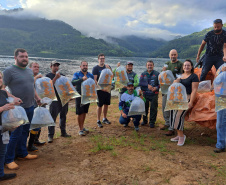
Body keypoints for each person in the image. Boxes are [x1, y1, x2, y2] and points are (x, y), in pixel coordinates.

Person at [4, 48, 41, 170]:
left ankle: (22, 153)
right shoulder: (9, 71)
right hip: (18, 109)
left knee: (25, 132)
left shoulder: (29, 71)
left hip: (30, 106)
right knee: (15, 134)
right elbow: (2, 88)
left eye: (26, 56)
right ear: (15, 58)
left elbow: (31, 86)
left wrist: (37, 98)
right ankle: (8, 159)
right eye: (22, 56)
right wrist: (13, 97)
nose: (25, 58)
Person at [170, 60, 199, 146]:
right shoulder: (180, 76)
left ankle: (182, 136)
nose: (186, 67)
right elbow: (173, 85)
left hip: (187, 98)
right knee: (173, 116)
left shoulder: (194, 76)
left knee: (178, 117)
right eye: (185, 65)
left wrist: (190, 102)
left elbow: (194, 90)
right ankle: (178, 135)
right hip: (178, 98)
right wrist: (176, 81)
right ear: (183, 67)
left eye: (188, 65)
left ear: (191, 67)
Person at [46, 61, 71, 143]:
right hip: (54, 100)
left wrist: (69, 96)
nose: (56, 67)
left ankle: (63, 132)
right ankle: (50, 135)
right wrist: (56, 78)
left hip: (63, 99)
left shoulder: (63, 76)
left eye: (57, 66)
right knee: (52, 118)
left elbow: (66, 86)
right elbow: (49, 87)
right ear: (51, 66)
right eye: (54, 65)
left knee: (63, 116)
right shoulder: (48, 76)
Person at [161, 49, 183, 136]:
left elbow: (181, 76)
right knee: (164, 107)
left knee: (172, 109)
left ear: (177, 55)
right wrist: (162, 71)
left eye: (174, 55)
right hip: (166, 89)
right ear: (169, 55)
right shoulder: (166, 63)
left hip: (175, 90)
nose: (173, 56)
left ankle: (172, 128)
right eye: (171, 55)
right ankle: (167, 123)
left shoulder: (180, 64)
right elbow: (162, 75)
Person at [0, 71, 17, 181]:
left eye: (0, 77)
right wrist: (2, 108)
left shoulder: (2, 93)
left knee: (2, 152)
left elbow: (7, 109)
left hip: (3, 128)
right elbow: (3, 108)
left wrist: (12, 123)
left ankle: (1, 174)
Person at [72, 61, 94, 136]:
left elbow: (93, 85)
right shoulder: (77, 74)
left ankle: (82, 126)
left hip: (87, 96)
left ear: (87, 66)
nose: (85, 67)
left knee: (84, 112)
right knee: (80, 112)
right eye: (83, 65)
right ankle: (80, 129)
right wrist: (82, 79)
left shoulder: (90, 75)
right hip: (79, 96)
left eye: (86, 65)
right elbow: (73, 82)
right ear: (80, 66)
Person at [28, 62, 46, 151]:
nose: (37, 68)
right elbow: (29, 84)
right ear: (30, 68)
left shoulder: (40, 78)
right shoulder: (28, 76)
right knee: (32, 125)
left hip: (40, 103)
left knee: (39, 123)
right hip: (31, 104)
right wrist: (36, 77)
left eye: (38, 67)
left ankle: (36, 140)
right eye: (35, 67)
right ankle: (30, 144)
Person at [92, 53, 112, 128]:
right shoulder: (95, 68)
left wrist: (109, 69)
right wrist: (101, 88)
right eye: (101, 58)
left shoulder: (108, 67)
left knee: (106, 104)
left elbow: (111, 76)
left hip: (107, 89)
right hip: (100, 90)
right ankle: (98, 120)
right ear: (98, 59)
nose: (102, 60)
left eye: (103, 58)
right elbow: (95, 80)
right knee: (100, 105)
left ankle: (104, 118)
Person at [139, 60, 159, 128]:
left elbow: (161, 84)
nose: (149, 66)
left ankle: (152, 122)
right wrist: (147, 85)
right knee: (144, 108)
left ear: (153, 66)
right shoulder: (143, 74)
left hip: (154, 94)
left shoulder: (157, 74)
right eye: (148, 65)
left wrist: (156, 88)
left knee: (153, 108)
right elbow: (140, 83)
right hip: (145, 93)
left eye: (151, 65)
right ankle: (144, 121)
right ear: (146, 66)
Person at [213, 66, 226, 153]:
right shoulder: (222, 68)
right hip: (222, 97)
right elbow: (216, 81)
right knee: (220, 123)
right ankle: (220, 145)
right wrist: (221, 72)